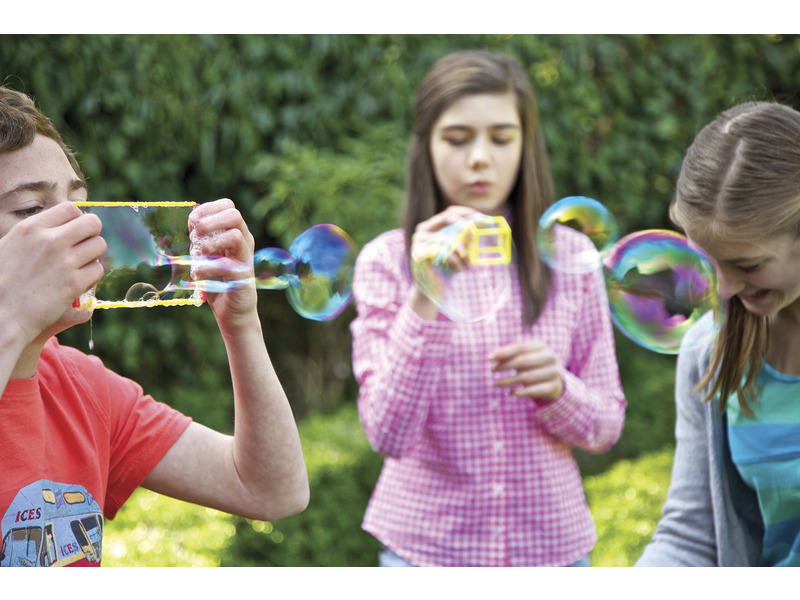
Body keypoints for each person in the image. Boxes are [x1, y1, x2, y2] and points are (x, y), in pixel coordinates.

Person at [0, 85, 309, 567]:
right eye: (31, 210)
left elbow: (272, 490)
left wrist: (241, 326)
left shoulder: (82, 388)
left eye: (81, 205)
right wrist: (11, 314)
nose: (80, 230)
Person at [349, 50, 626, 567]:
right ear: (426, 147)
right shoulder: (387, 262)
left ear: (525, 145)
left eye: (501, 138)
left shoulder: (571, 258)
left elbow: (606, 425)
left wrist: (559, 389)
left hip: (552, 554)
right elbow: (388, 433)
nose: (480, 158)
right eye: (457, 139)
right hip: (425, 556)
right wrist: (426, 292)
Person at [636, 101, 800, 567]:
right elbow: (691, 536)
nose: (723, 289)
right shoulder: (708, 350)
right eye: (705, 262)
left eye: (748, 265)